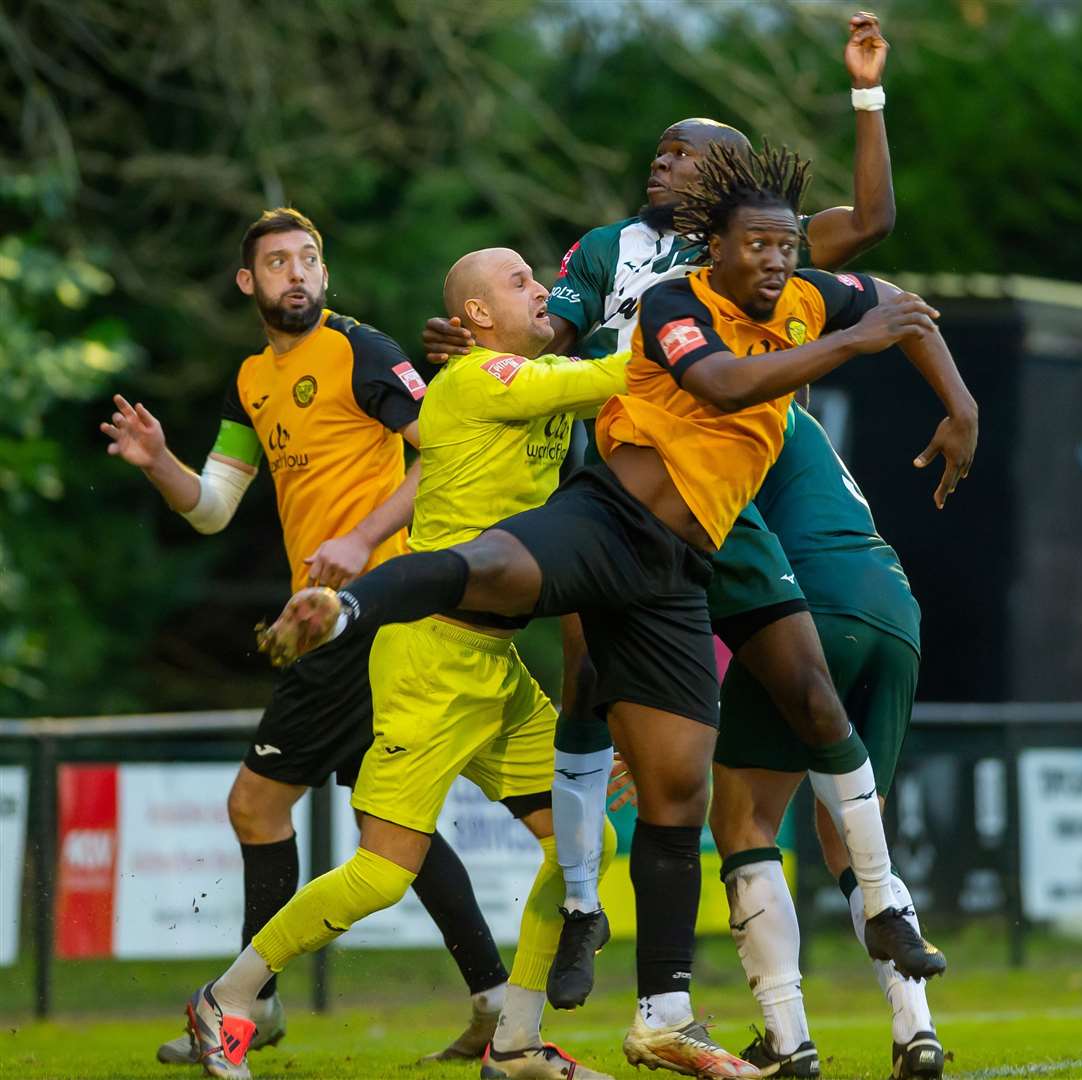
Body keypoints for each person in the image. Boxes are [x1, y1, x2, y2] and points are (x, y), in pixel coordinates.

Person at [258, 139, 974, 1078]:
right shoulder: (671, 299)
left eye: (784, 246)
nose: (773, 260)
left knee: (681, 789)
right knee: (499, 573)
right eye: (755, 246)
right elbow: (710, 381)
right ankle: (348, 612)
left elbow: (904, 305)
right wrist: (845, 343)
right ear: (709, 246)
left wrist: (960, 408)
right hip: (612, 514)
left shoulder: (802, 294)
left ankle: (676, 1005)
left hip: (686, 563)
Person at [421, 12, 928, 1016]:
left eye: (681, 152)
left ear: (728, 175)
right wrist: (484, 351)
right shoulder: (608, 248)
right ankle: (577, 906)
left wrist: (867, 95)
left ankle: (874, 904)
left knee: (796, 689)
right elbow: (553, 327)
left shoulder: (760, 245)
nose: (660, 162)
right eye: (656, 150)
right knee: (584, 683)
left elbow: (868, 227)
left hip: (719, 496)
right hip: (621, 481)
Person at [101, 208, 515, 1068]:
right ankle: (493, 1000)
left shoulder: (362, 350)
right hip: (327, 617)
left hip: (372, 610)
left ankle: (248, 1007)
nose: (298, 273)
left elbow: (446, 449)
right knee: (390, 821)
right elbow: (213, 507)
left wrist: (366, 542)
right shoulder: (251, 380)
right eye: (279, 262)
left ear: (324, 274)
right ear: (248, 283)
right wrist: (159, 462)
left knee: (257, 804)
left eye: (309, 259)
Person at [711, 401, 945, 1078]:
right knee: (850, 822)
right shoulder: (795, 414)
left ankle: (789, 1040)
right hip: (894, 603)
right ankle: (916, 1030)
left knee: (742, 815)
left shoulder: (707, 395)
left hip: (812, 599)